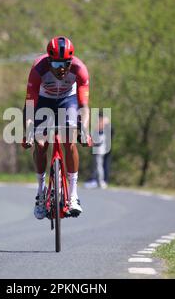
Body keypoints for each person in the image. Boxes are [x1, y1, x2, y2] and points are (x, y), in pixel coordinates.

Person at [22, 36, 92, 220]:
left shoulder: (80, 70)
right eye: (55, 64)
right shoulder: (38, 69)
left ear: (71, 61)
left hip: (68, 100)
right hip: (43, 102)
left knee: (69, 141)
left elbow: (84, 106)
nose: (61, 69)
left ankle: (74, 195)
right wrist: (29, 131)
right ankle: (40, 192)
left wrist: (84, 130)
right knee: (41, 143)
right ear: (48, 60)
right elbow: (30, 106)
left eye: (65, 64)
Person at [84, 112, 113, 189]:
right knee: (96, 166)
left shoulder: (102, 126)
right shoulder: (100, 126)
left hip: (100, 150)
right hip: (98, 149)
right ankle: (96, 181)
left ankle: (100, 181)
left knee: (99, 166)